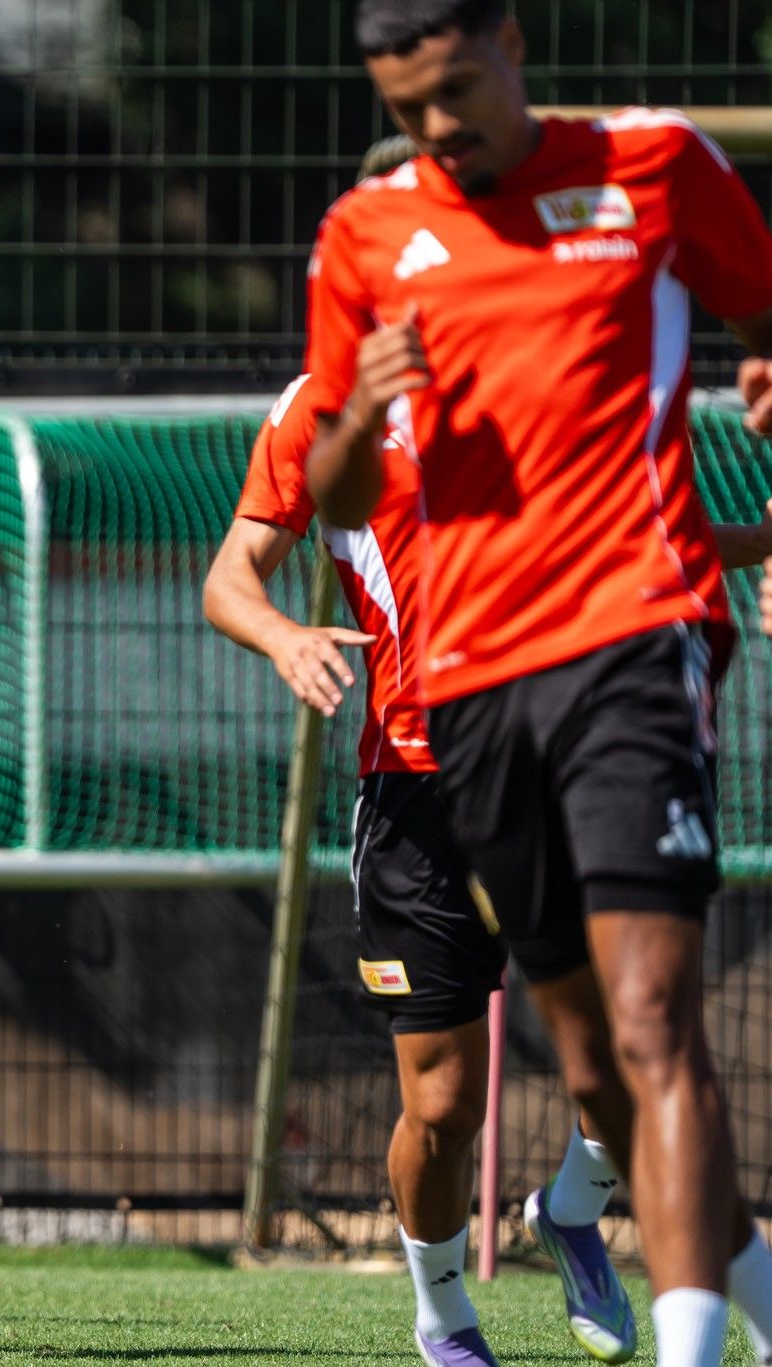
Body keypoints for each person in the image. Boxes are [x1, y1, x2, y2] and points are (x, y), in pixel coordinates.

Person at [304, 3, 772, 1363]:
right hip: (463, 688)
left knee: (648, 1021)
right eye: (406, 110)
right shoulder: (365, 236)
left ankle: (685, 1345)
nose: (439, 127)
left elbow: (756, 297)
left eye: (455, 88)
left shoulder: (653, 166)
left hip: (635, 631)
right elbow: (328, 483)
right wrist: (352, 415)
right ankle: (731, 1272)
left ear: (509, 41)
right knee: (586, 1064)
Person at [210, 371, 772, 1365]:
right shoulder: (323, 402)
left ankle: (569, 1213)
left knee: (635, 1055)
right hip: (416, 797)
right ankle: (442, 1312)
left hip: (564, 765)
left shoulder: (544, 359)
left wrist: (758, 545)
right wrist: (283, 634)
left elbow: (644, 530)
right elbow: (230, 577)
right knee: (441, 1104)